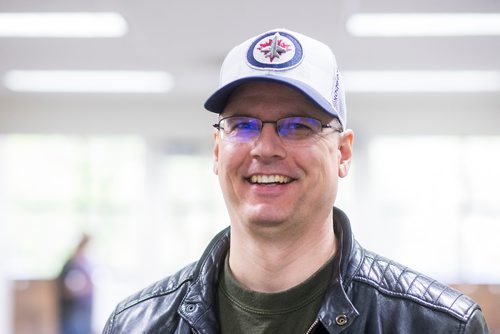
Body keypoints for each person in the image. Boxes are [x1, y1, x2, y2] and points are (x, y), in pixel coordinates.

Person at [102, 28, 488, 333]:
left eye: (298, 126)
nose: (265, 147)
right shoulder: (136, 324)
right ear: (217, 151)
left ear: (343, 153)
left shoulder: (439, 326)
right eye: (242, 125)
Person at [58, 234, 94, 334]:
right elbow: (68, 289)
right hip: (73, 310)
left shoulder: (83, 261)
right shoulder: (72, 264)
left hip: (82, 307)